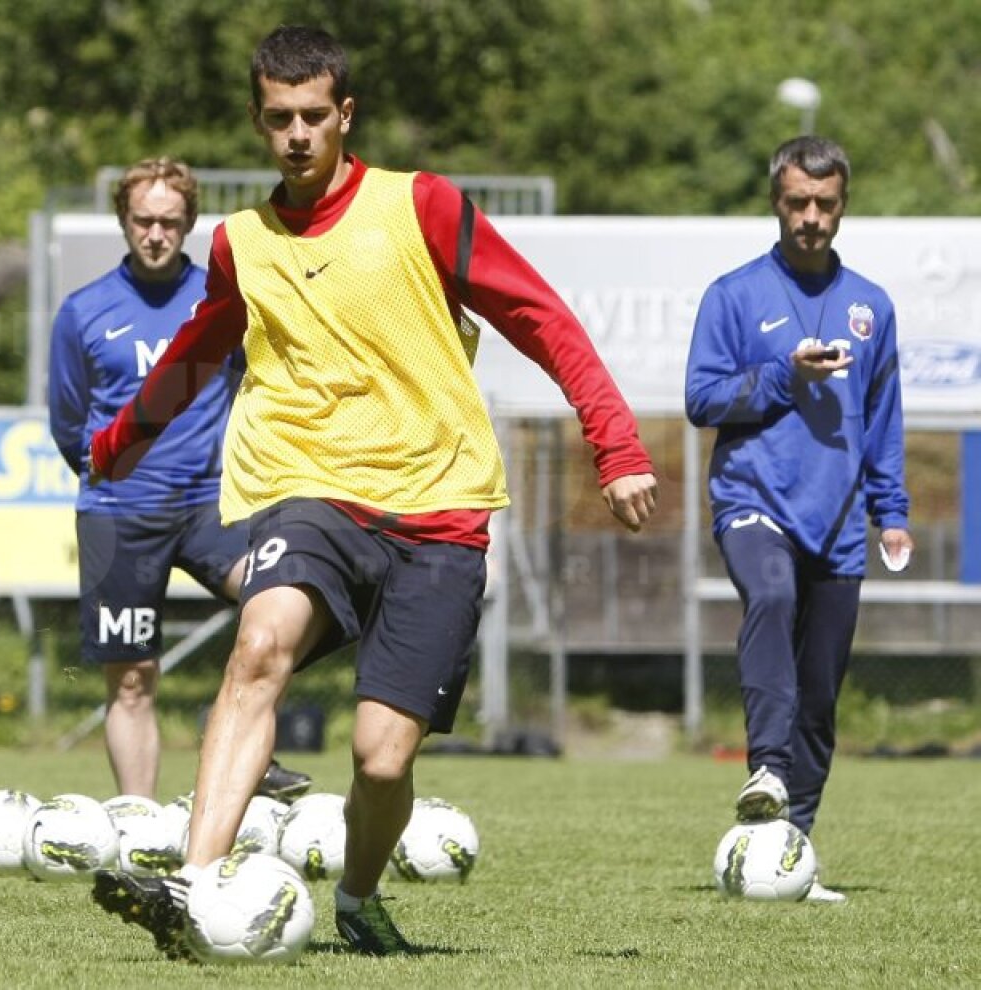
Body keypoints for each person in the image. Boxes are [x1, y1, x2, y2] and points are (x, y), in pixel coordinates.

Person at [86, 26, 657, 958]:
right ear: (258, 121)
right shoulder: (240, 244)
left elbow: (539, 316)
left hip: (439, 508)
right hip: (311, 491)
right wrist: (119, 444)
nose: (299, 134)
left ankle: (356, 895)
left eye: (316, 115)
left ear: (345, 114)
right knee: (259, 644)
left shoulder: (420, 206)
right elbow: (197, 351)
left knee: (381, 757)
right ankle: (192, 887)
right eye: (280, 119)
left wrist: (616, 443)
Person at [685, 135, 913, 903]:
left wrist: (892, 510)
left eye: (825, 203)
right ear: (775, 202)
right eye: (796, 202)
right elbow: (702, 399)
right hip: (753, 502)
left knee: (820, 697)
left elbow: (883, 417)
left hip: (841, 522)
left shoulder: (871, 308)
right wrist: (783, 374)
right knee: (772, 597)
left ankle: (790, 852)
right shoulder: (734, 295)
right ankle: (768, 769)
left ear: (843, 205)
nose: (810, 217)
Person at [48, 156, 311, 803]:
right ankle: (139, 822)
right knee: (132, 680)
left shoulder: (225, 302)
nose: (156, 234)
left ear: (189, 223)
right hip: (119, 515)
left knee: (279, 612)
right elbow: (67, 421)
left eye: (170, 221)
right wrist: (112, 479)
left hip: (210, 507)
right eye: (144, 221)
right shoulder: (83, 312)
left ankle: (251, 750)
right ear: (124, 221)